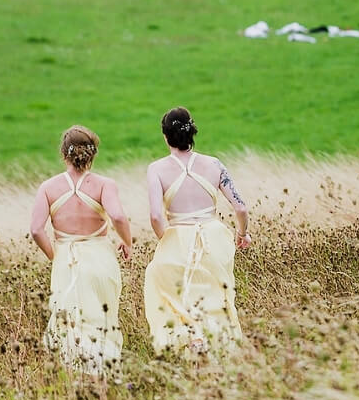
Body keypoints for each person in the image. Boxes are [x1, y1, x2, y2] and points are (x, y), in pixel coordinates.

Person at [29, 125, 133, 378]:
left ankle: (76, 382)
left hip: (67, 260)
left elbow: (36, 230)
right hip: (100, 258)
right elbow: (118, 215)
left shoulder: (48, 187)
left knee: (69, 325)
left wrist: (56, 256)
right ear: (93, 153)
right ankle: (105, 380)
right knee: (102, 321)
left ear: (64, 154)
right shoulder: (104, 184)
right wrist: (126, 241)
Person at [143, 107, 248, 356]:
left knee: (178, 297)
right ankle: (218, 350)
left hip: (177, 236)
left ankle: (192, 342)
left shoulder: (156, 169)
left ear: (165, 137)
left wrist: (166, 239)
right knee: (216, 296)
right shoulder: (214, 164)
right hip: (214, 237)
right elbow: (241, 208)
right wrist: (243, 233)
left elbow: (156, 215)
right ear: (193, 132)